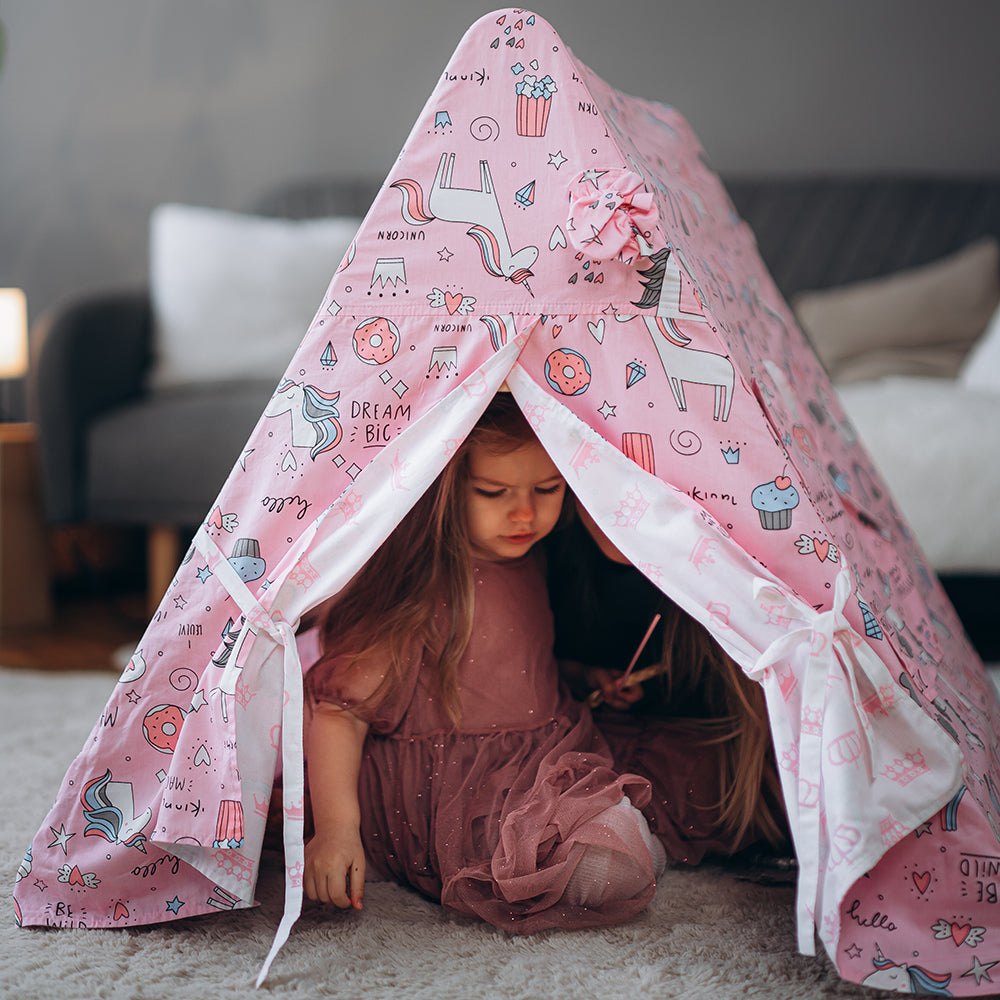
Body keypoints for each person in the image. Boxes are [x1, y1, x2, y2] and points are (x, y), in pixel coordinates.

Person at [302, 393, 666, 932]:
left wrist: (584, 678)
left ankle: (581, 835)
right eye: (495, 492)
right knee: (606, 863)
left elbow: (514, 668)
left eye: (548, 490)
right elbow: (341, 711)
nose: (525, 513)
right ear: (445, 491)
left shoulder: (533, 558)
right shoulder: (420, 587)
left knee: (664, 799)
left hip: (542, 752)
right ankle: (390, 853)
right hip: (454, 787)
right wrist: (335, 830)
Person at [547, 503, 789, 864]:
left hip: (700, 746)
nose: (625, 507)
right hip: (588, 732)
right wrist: (585, 677)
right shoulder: (555, 551)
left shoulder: (720, 573)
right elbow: (541, 665)